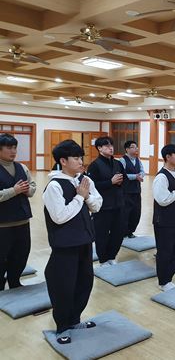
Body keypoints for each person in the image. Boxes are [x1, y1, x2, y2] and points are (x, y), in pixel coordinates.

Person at [43, 140, 102, 344]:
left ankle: (75, 319)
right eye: (76, 158)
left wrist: (86, 197)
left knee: (84, 283)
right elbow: (60, 216)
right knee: (63, 286)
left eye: (81, 157)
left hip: (85, 241)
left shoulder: (83, 180)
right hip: (64, 245)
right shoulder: (54, 185)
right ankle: (61, 327)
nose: (80, 162)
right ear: (63, 161)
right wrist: (80, 198)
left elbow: (97, 205)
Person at [0, 133, 36, 291]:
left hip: (22, 220)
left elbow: (33, 186)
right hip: (3, 224)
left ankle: (14, 281)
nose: (13, 151)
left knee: (21, 254)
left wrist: (27, 190)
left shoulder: (22, 167)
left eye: (15, 147)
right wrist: (14, 190)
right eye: (9, 147)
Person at [152, 144, 175, 291]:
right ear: (168, 157)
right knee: (165, 251)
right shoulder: (161, 177)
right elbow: (163, 200)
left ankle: (169, 279)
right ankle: (163, 281)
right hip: (165, 222)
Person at [86, 136, 127, 266]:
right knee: (101, 234)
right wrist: (111, 182)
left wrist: (119, 182)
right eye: (107, 146)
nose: (111, 148)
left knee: (118, 232)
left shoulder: (118, 163)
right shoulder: (94, 165)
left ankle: (111, 256)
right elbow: (93, 186)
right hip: (102, 206)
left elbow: (124, 179)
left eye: (111, 145)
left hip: (118, 204)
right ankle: (103, 259)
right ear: (99, 148)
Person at [119, 140, 144, 238]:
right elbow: (122, 175)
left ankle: (130, 231)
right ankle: (123, 232)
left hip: (137, 191)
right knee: (126, 212)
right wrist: (135, 176)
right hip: (126, 191)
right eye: (133, 147)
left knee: (136, 212)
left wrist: (140, 175)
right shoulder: (123, 160)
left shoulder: (138, 159)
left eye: (136, 147)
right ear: (127, 149)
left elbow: (142, 171)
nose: (136, 149)